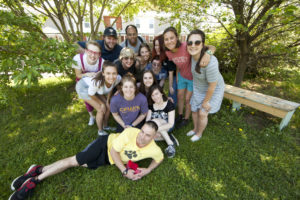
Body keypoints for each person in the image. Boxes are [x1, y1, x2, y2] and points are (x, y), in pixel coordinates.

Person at [9, 121, 163, 200]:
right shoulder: (130, 132)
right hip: (104, 145)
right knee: (73, 161)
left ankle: (38, 169)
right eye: (142, 131)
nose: (142, 136)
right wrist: (124, 171)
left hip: (107, 160)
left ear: (154, 137)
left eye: (148, 135)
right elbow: (114, 152)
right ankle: (34, 181)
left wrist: (148, 169)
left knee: (79, 163)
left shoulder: (154, 149)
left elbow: (159, 158)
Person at [163, 27, 216, 128]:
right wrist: (178, 74)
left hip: (192, 78)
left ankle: (186, 119)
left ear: (177, 37)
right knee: (179, 96)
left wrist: (208, 55)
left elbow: (212, 47)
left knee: (187, 99)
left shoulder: (186, 46)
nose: (169, 41)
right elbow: (178, 62)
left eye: (172, 38)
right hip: (182, 76)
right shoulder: (168, 52)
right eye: (166, 39)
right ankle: (180, 115)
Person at [186, 29, 225, 142]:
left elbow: (212, 86)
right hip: (199, 86)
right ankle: (194, 129)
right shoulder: (192, 53)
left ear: (202, 45)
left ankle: (199, 133)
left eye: (197, 42)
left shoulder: (211, 62)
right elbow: (212, 47)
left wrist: (205, 102)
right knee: (194, 109)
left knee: (202, 113)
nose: (193, 45)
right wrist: (209, 51)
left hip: (214, 89)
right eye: (190, 42)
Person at [76, 61, 122, 136]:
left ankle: (106, 126)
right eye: (108, 73)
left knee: (108, 106)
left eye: (114, 73)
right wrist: (101, 104)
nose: (111, 76)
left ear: (117, 73)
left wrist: (107, 101)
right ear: (103, 73)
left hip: (96, 90)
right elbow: (91, 94)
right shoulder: (97, 82)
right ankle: (100, 131)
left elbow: (112, 87)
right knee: (101, 109)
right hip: (83, 87)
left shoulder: (118, 78)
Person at [72, 40, 105, 126]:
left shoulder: (102, 62)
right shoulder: (78, 59)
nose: (93, 55)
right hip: (82, 82)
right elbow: (78, 75)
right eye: (90, 52)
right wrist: (87, 74)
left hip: (95, 83)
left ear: (99, 54)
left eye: (96, 53)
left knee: (97, 98)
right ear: (86, 50)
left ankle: (102, 115)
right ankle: (91, 116)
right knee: (87, 101)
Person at [146, 85, 178, 158]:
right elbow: (147, 121)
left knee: (154, 121)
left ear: (161, 93)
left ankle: (170, 144)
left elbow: (170, 123)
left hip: (167, 126)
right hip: (156, 127)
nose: (155, 97)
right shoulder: (151, 105)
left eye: (157, 94)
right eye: (152, 95)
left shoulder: (169, 104)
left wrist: (155, 131)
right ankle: (170, 138)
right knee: (149, 137)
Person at [152, 35, 177, 105]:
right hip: (163, 75)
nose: (157, 47)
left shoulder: (168, 55)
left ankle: (171, 108)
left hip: (173, 74)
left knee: (172, 91)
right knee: (157, 90)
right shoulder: (155, 55)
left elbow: (171, 73)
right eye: (155, 45)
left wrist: (170, 86)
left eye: (158, 45)